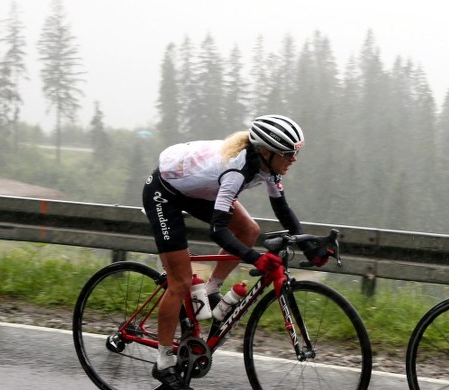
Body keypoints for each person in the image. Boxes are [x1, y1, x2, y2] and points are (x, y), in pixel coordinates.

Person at [141, 114, 332, 389]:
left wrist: (309, 248)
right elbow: (218, 231)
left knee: (249, 230)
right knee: (179, 282)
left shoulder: (268, 166)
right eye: (287, 153)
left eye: (295, 152)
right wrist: (256, 258)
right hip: (165, 193)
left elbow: (282, 209)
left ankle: (210, 291)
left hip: (201, 191)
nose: (293, 159)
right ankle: (163, 362)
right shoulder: (236, 172)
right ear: (265, 151)